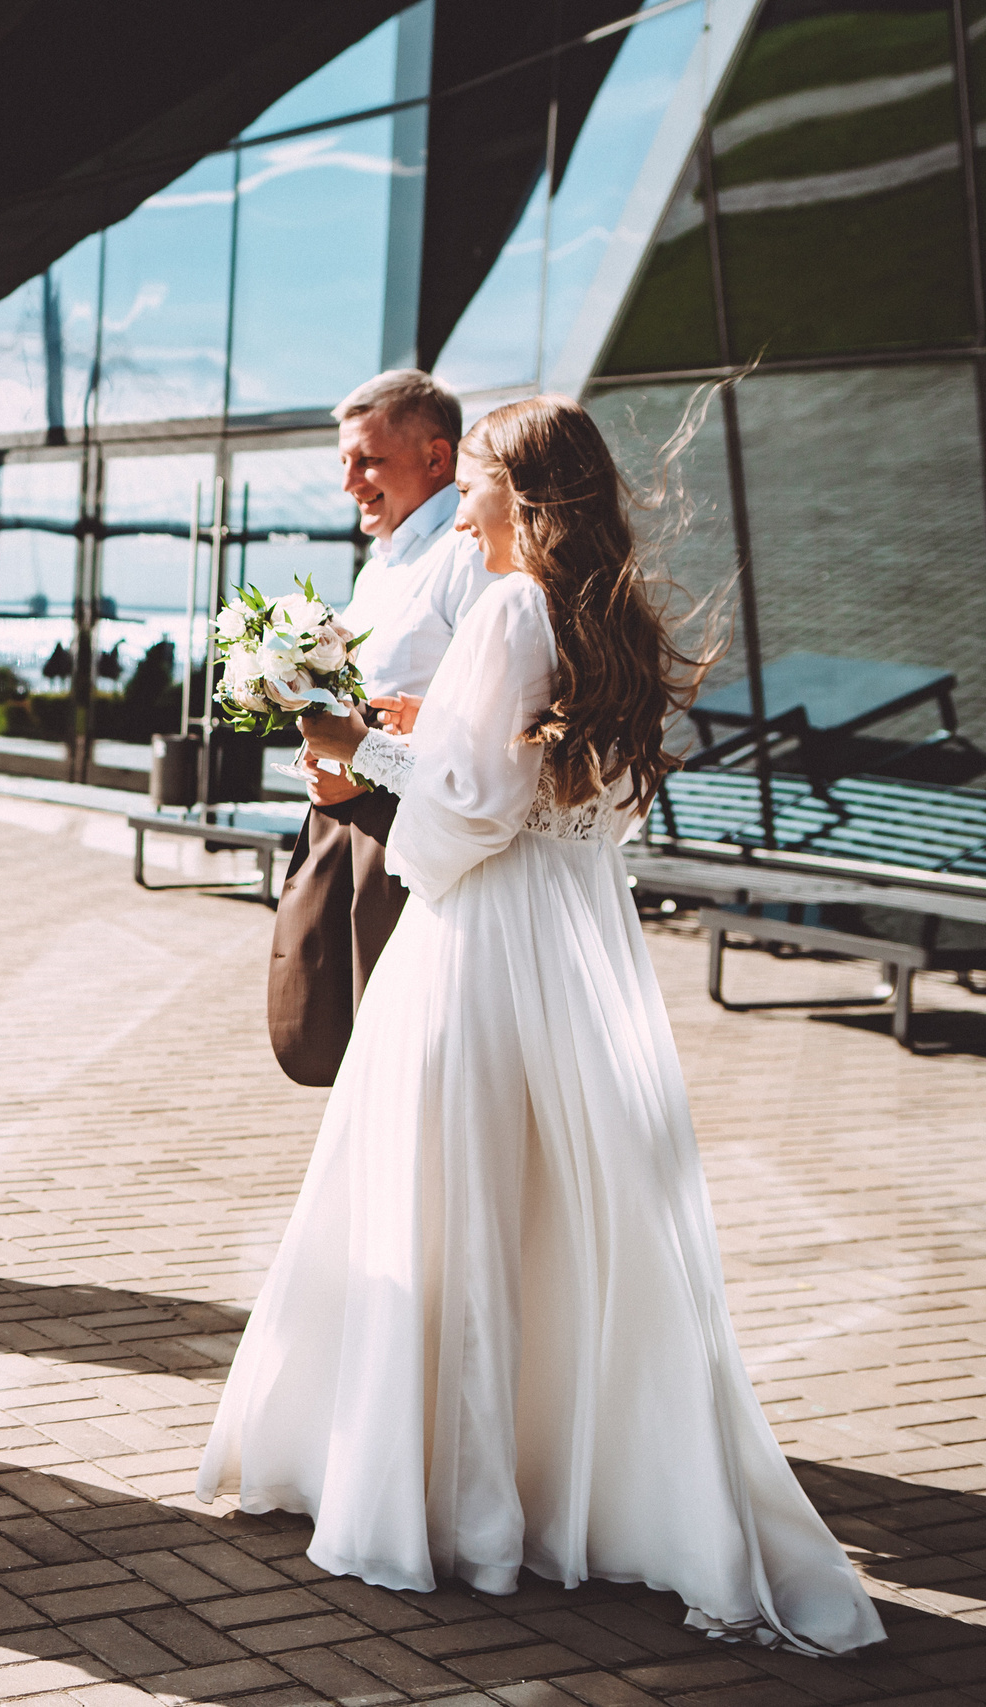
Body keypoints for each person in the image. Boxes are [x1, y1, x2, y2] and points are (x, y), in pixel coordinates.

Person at [197, 396, 882, 1656]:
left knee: (449, 1191)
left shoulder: (511, 604)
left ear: (520, 491)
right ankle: (580, 1472)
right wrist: (426, 743)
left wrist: (357, 750)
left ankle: (455, 1491)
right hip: (578, 939)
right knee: (570, 1200)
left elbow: (469, 809)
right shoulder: (602, 607)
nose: (459, 498)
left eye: (477, 481)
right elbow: (552, 789)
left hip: (485, 934)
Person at [268, 370, 496, 1088]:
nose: (350, 482)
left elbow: (488, 716)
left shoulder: (467, 557)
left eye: (367, 460)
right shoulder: (382, 564)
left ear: (437, 459)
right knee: (327, 1031)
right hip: (348, 819)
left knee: (397, 1056)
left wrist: (377, 746)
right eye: (344, 462)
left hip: (412, 839)